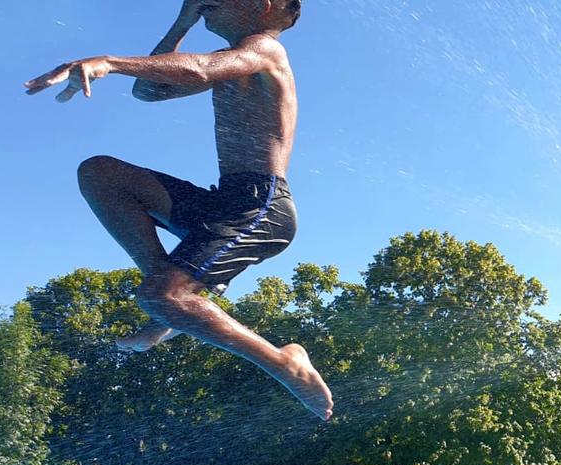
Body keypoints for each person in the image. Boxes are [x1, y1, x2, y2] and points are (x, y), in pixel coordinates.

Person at [24, 0, 333, 422]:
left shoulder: (265, 49)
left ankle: (285, 362)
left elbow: (199, 70)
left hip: (259, 206)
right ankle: (168, 305)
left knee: (161, 297)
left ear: (264, 6)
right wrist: (182, 21)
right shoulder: (234, 58)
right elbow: (148, 90)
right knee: (100, 174)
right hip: (225, 202)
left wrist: (108, 61)